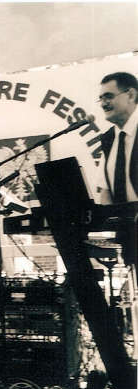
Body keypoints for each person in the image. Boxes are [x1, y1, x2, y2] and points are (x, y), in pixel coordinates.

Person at [95, 72, 137, 265]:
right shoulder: (109, 139)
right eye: (101, 98)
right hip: (130, 236)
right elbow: (105, 190)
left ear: (131, 95)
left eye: (109, 96)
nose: (103, 104)